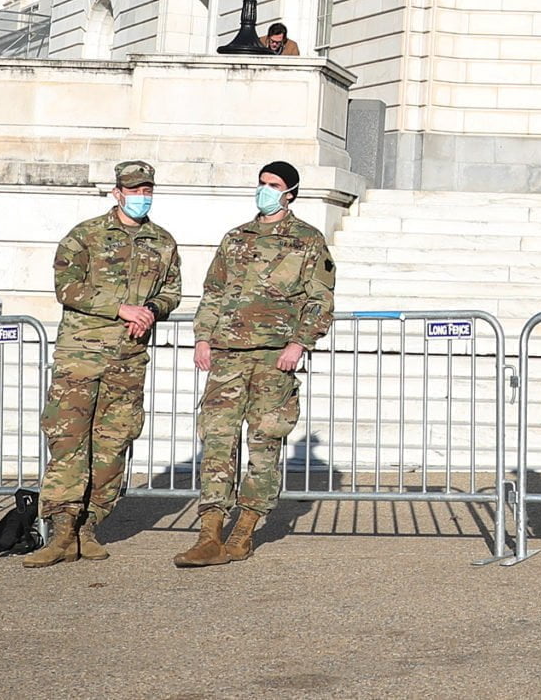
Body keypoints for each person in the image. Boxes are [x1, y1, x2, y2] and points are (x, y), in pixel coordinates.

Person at [175, 160, 335, 567]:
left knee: (264, 444)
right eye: (262, 183)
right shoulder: (235, 238)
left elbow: (320, 300)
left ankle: (244, 530)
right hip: (227, 356)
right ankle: (209, 533)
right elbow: (213, 291)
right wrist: (203, 337)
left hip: (273, 359)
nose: (265, 190)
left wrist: (299, 344)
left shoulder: (307, 240)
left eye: (274, 184)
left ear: (290, 192)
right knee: (217, 442)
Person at [22, 160, 182, 568]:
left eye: (147, 189)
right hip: (81, 356)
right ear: (117, 193)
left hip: (127, 360)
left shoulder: (162, 241)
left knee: (113, 445)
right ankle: (60, 532)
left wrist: (151, 309)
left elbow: (172, 292)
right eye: (134, 189)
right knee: (68, 441)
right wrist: (121, 308)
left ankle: (90, 527)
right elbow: (67, 288)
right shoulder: (85, 236)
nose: (141, 196)